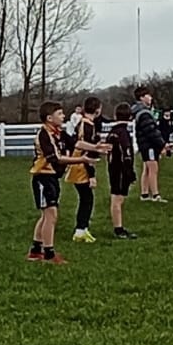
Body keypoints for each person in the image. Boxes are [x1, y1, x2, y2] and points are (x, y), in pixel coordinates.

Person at [29, 101, 88, 263]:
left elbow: (75, 143)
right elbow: (55, 158)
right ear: (49, 118)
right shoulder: (44, 134)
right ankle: (49, 253)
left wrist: (96, 147)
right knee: (51, 215)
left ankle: (35, 250)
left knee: (47, 215)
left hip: (52, 178)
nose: (63, 116)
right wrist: (80, 159)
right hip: (43, 177)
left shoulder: (58, 132)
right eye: (60, 114)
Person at [65, 96, 110, 243]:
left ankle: (82, 229)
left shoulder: (83, 123)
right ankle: (80, 230)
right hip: (81, 165)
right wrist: (91, 174)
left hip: (78, 163)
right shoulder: (88, 126)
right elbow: (88, 152)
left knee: (86, 198)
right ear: (97, 109)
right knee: (87, 198)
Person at [106, 103, 139, 239]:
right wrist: (130, 172)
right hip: (121, 169)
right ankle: (118, 228)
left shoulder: (112, 132)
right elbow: (126, 154)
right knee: (118, 198)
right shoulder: (123, 133)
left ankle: (118, 226)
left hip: (112, 167)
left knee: (116, 197)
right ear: (130, 117)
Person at [133, 88, 167, 203]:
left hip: (144, 144)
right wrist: (162, 144)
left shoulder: (139, 112)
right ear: (142, 97)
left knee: (146, 169)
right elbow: (151, 131)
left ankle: (144, 193)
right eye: (148, 95)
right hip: (149, 145)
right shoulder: (144, 114)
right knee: (153, 168)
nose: (150, 98)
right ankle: (155, 194)